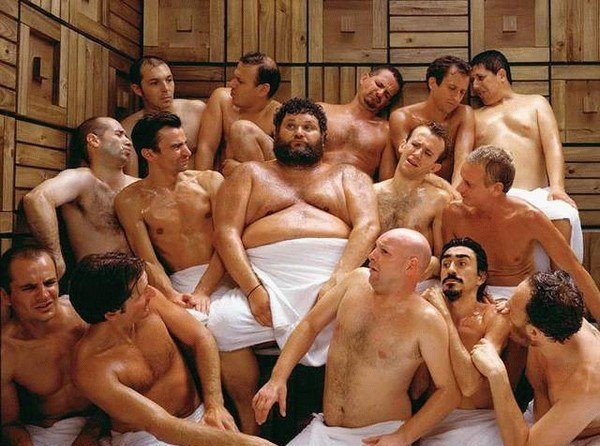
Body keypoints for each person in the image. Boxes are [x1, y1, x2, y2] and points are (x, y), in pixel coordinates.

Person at [208, 97, 379, 434]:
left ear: (323, 137)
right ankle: (251, 427)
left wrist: (338, 280)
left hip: (331, 282)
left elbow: (368, 226)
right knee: (222, 323)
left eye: (308, 127)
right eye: (290, 126)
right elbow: (225, 233)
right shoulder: (249, 174)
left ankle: (338, 423)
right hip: (265, 280)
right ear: (275, 133)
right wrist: (253, 290)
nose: (299, 133)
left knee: (369, 327)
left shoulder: (349, 176)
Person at [253, 228, 460, 445]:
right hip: (326, 430)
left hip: (379, 436)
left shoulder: (426, 320)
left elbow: (448, 392)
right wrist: (277, 379)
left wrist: (403, 436)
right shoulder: (355, 281)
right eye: (375, 248)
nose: (372, 255)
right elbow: (309, 325)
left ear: (410, 265)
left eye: (384, 252)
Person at [70, 252, 273, 446]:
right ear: (112, 314)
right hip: (147, 437)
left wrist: (215, 405)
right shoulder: (91, 368)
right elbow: (160, 425)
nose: (152, 293)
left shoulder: (151, 302)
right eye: (141, 293)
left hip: (201, 415)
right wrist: (248, 443)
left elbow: (201, 338)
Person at [442, 146, 600, 323]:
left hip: (522, 297)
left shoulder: (529, 218)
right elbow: (447, 269)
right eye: (462, 179)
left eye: (468, 184)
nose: (459, 188)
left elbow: (575, 270)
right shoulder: (453, 214)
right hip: (475, 295)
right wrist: (474, 297)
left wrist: (518, 301)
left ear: (496, 189)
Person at [471, 50, 583, 267]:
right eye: (473, 80)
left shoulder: (536, 103)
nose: (475, 86)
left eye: (480, 78)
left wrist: (557, 187)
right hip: (496, 196)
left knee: (563, 212)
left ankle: (560, 283)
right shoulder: (475, 116)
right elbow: (467, 159)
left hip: (537, 193)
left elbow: (552, 146)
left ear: (501, 74)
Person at [115, 112, 225, 322]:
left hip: (223, 274)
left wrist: (203, 290)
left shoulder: (210, 182)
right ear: (149, 154)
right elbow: (149, 261)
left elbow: (227, 240)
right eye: (176, 147)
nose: (187, 152)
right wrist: (172, 295)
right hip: (179, 283)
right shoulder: (130, 201)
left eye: (185, 144)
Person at [472, 270, 600, 446]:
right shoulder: (551, 325)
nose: (504, 308)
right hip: (541, 422)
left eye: (511, 307)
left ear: (533, 332)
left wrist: (497, 375)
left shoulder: (588, 382)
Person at [1, 245, 101, 445]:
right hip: (48, 432)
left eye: (49, 283)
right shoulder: (6, 351)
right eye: (29, 288)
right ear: (6, 297)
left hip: (106, 422)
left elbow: (128, 385)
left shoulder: (85, 315)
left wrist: (89, 435)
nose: (44, 296)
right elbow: (9, 423)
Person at [420, 237, 510, 445]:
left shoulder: (494, 317)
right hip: (433, 419)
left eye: (461, 263)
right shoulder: (427, 314)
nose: (451, 270)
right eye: (445, 264)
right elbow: (418, 388)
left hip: (481, 422)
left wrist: (445, 316)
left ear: (480, 277)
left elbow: (470, 385)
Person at [23, 117, 138, 279]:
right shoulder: (82, 180)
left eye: (126, 136)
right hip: (98, 280)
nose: (128, 142)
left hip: (139, 278)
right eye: (119, 135)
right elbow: (36, 199)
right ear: (93, 140)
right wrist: (55, 259)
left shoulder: (138, 186)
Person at [374, 121, 453, 286]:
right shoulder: (372, 193)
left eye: (427, 153)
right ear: (403, 145)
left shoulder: (439, 200)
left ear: (434, 168)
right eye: (415, 145)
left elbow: (444, 258)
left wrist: (432, 264)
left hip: (415, 283)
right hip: (372, 275)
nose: (417, 154)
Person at [389, 55, 474, 186]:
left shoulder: (464, 114)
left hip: (449, 191)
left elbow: (462, 161)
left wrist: (454, 195)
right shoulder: (402, 118)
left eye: (462, 92)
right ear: (432, 83)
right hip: (412, 189)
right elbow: (411, 165)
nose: (457, 98)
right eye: (452, 88)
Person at [195, 52, 281, 173]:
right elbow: (206, 148)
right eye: (235, 77)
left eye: (240, 81)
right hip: (226, 180)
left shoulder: (278, 117)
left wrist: (239, 169)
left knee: (241, 130)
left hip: (260, 181)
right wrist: (203, 181)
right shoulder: (221, 99)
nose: (231, 84)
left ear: (263, 90)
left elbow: (285, 170)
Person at [121, 56, 206, 175]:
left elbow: (213, 153)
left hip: (200, 184)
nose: (165, 88)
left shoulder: (197, 111)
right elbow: (131, 178)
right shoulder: (128, 128)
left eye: (169, 80)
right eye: (155, 83)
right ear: (137, 89)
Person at [317, 65, 402, 179]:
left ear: (387, 103)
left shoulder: (386, 131)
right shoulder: (322, 112)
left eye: (386, 95)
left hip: (356, 187)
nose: (380, 93)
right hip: (316, 185)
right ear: (364, 78)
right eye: (379, 84)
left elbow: (387, 181)